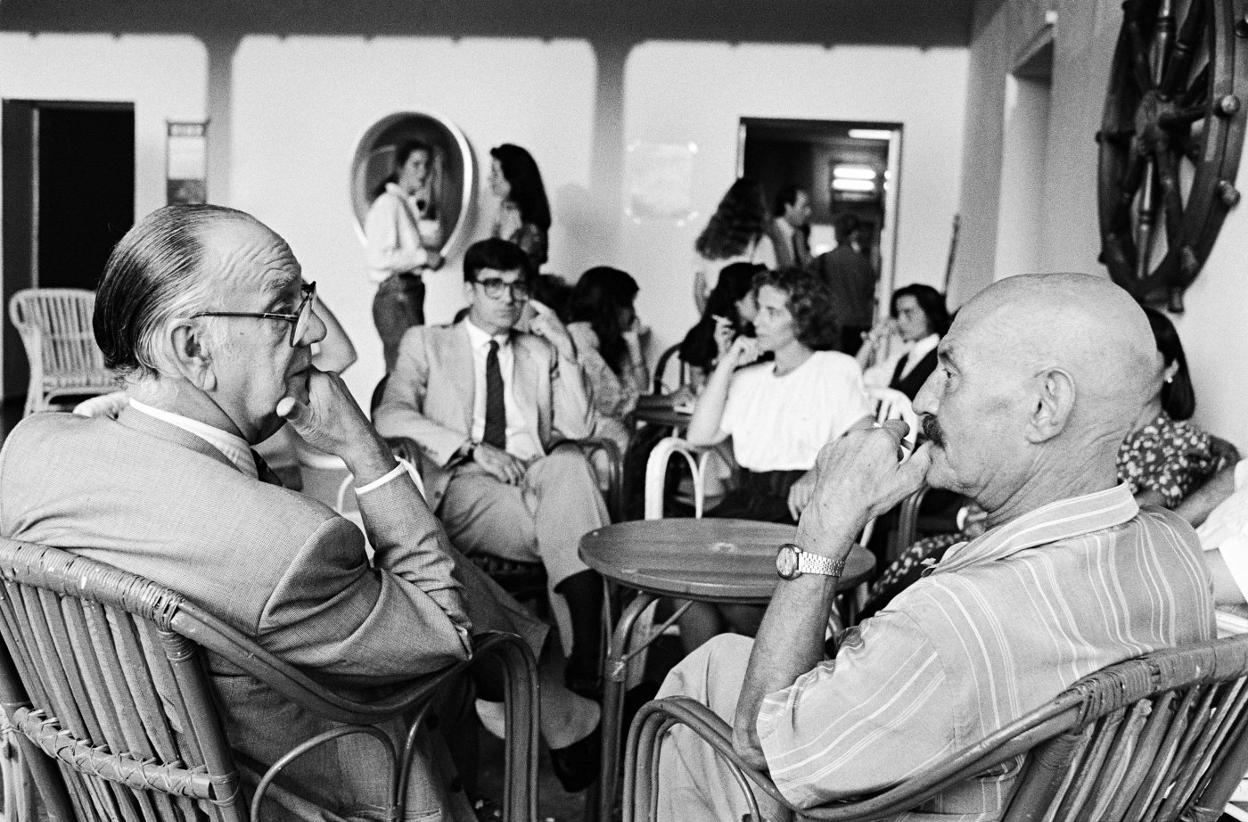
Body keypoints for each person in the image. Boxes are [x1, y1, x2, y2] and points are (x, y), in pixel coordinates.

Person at [0, 205, 604, 819]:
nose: (313, 335)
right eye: (284, 310)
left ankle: (533, 686)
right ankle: (543, 695)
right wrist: (363, 449)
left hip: (110, 791)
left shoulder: (29, 451)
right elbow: (444, 631)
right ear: (192, 347)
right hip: (310, 793)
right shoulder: (293, 544)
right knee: (472, 637)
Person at [652, 273, 1213, 822]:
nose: (922, 399)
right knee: (724, 657)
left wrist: (825, 527)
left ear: (1045, 407)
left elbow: (761, 744)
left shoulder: (950, 620)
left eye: (950, 373)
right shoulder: (1176, 551)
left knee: (692, 694)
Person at [374, 238, 609, 695]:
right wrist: (472, 448)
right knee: (571, 519)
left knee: (570, 465)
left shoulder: (539, 352)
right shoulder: (428, 342)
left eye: (518, 288)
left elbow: (579, 426)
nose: (508, 298)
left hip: (537, 475)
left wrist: (566, 348)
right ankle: (589, 648)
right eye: (493, 285)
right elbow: (390, 414)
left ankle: (568, 661)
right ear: (469, 290)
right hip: (466, 482)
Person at [676, 267, 871, 649]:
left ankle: (760, 685)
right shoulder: (750, 378)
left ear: (801, 319)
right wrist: (729, 362)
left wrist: (818, 470)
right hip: (744, 504)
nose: (757, 321)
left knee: (731, 601)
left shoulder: (834, 369)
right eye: (759, 310)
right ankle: (701, 696)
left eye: (771, 312)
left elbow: (866, 438)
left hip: (799, 511)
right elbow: (699, 436)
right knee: (686, 589)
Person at [1118, 307, 1217, 509]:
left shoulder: (1187, 443)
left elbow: (1143, 511)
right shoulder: (1097, 429)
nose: (1128, 367)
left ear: (1170, 368)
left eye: (1143, 356)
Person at [364, 140, 446, 372]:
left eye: (427, 165)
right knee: (405, 373)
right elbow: (378, 258)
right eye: (416, 164)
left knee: (411, 370)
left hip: (406, 293)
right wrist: (422, 257)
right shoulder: (387, 204)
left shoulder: (403, 204)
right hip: (397, 295)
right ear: (400, 166)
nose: (422, 171)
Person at [563, 266, 649, 453]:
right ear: (612, 305)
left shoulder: (610, 338)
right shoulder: (580, 336)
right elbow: (610, 401)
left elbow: (641, 388)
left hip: (610, 427)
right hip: (584, 433)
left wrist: (634, 344)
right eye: (629, 304)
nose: (633, 312)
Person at [692, 178, 777, 314]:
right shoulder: (760, 242)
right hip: (744, 317)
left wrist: (708, 321)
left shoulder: (708, 240)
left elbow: (698, 292)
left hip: (715, 316)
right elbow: (771, 286)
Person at [855, 283, 951, 400]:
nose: (900, 321)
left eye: (908, 312)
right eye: (897, 314)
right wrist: (873, 337)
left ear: (930, 313)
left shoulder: (944, 356)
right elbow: (855, 377)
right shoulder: (903, 357)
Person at [678, 261, 763, 391]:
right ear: (736, 300)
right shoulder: (702, 335)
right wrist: (722, 357)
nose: (762, 303)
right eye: (756, 297)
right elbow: (699, 388)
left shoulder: (766, 331)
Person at [814, 212, 876, 352]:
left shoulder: (824, 260)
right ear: (855, 234)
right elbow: (869, 295)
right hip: (859, 325)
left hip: (834, 325)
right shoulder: (865, 264)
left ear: (836, 233)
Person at [489, 143, 551, 273]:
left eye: (495, 173)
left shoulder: (531, 229)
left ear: (514, 177)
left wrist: (508, 236)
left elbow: (513, 272)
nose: (490, 178)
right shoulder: (504, 210)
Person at [766, 184, 813, 269]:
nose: (808, 212)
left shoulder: (800, 235)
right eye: (803, 207)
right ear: (788, 207)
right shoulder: (769, 232)